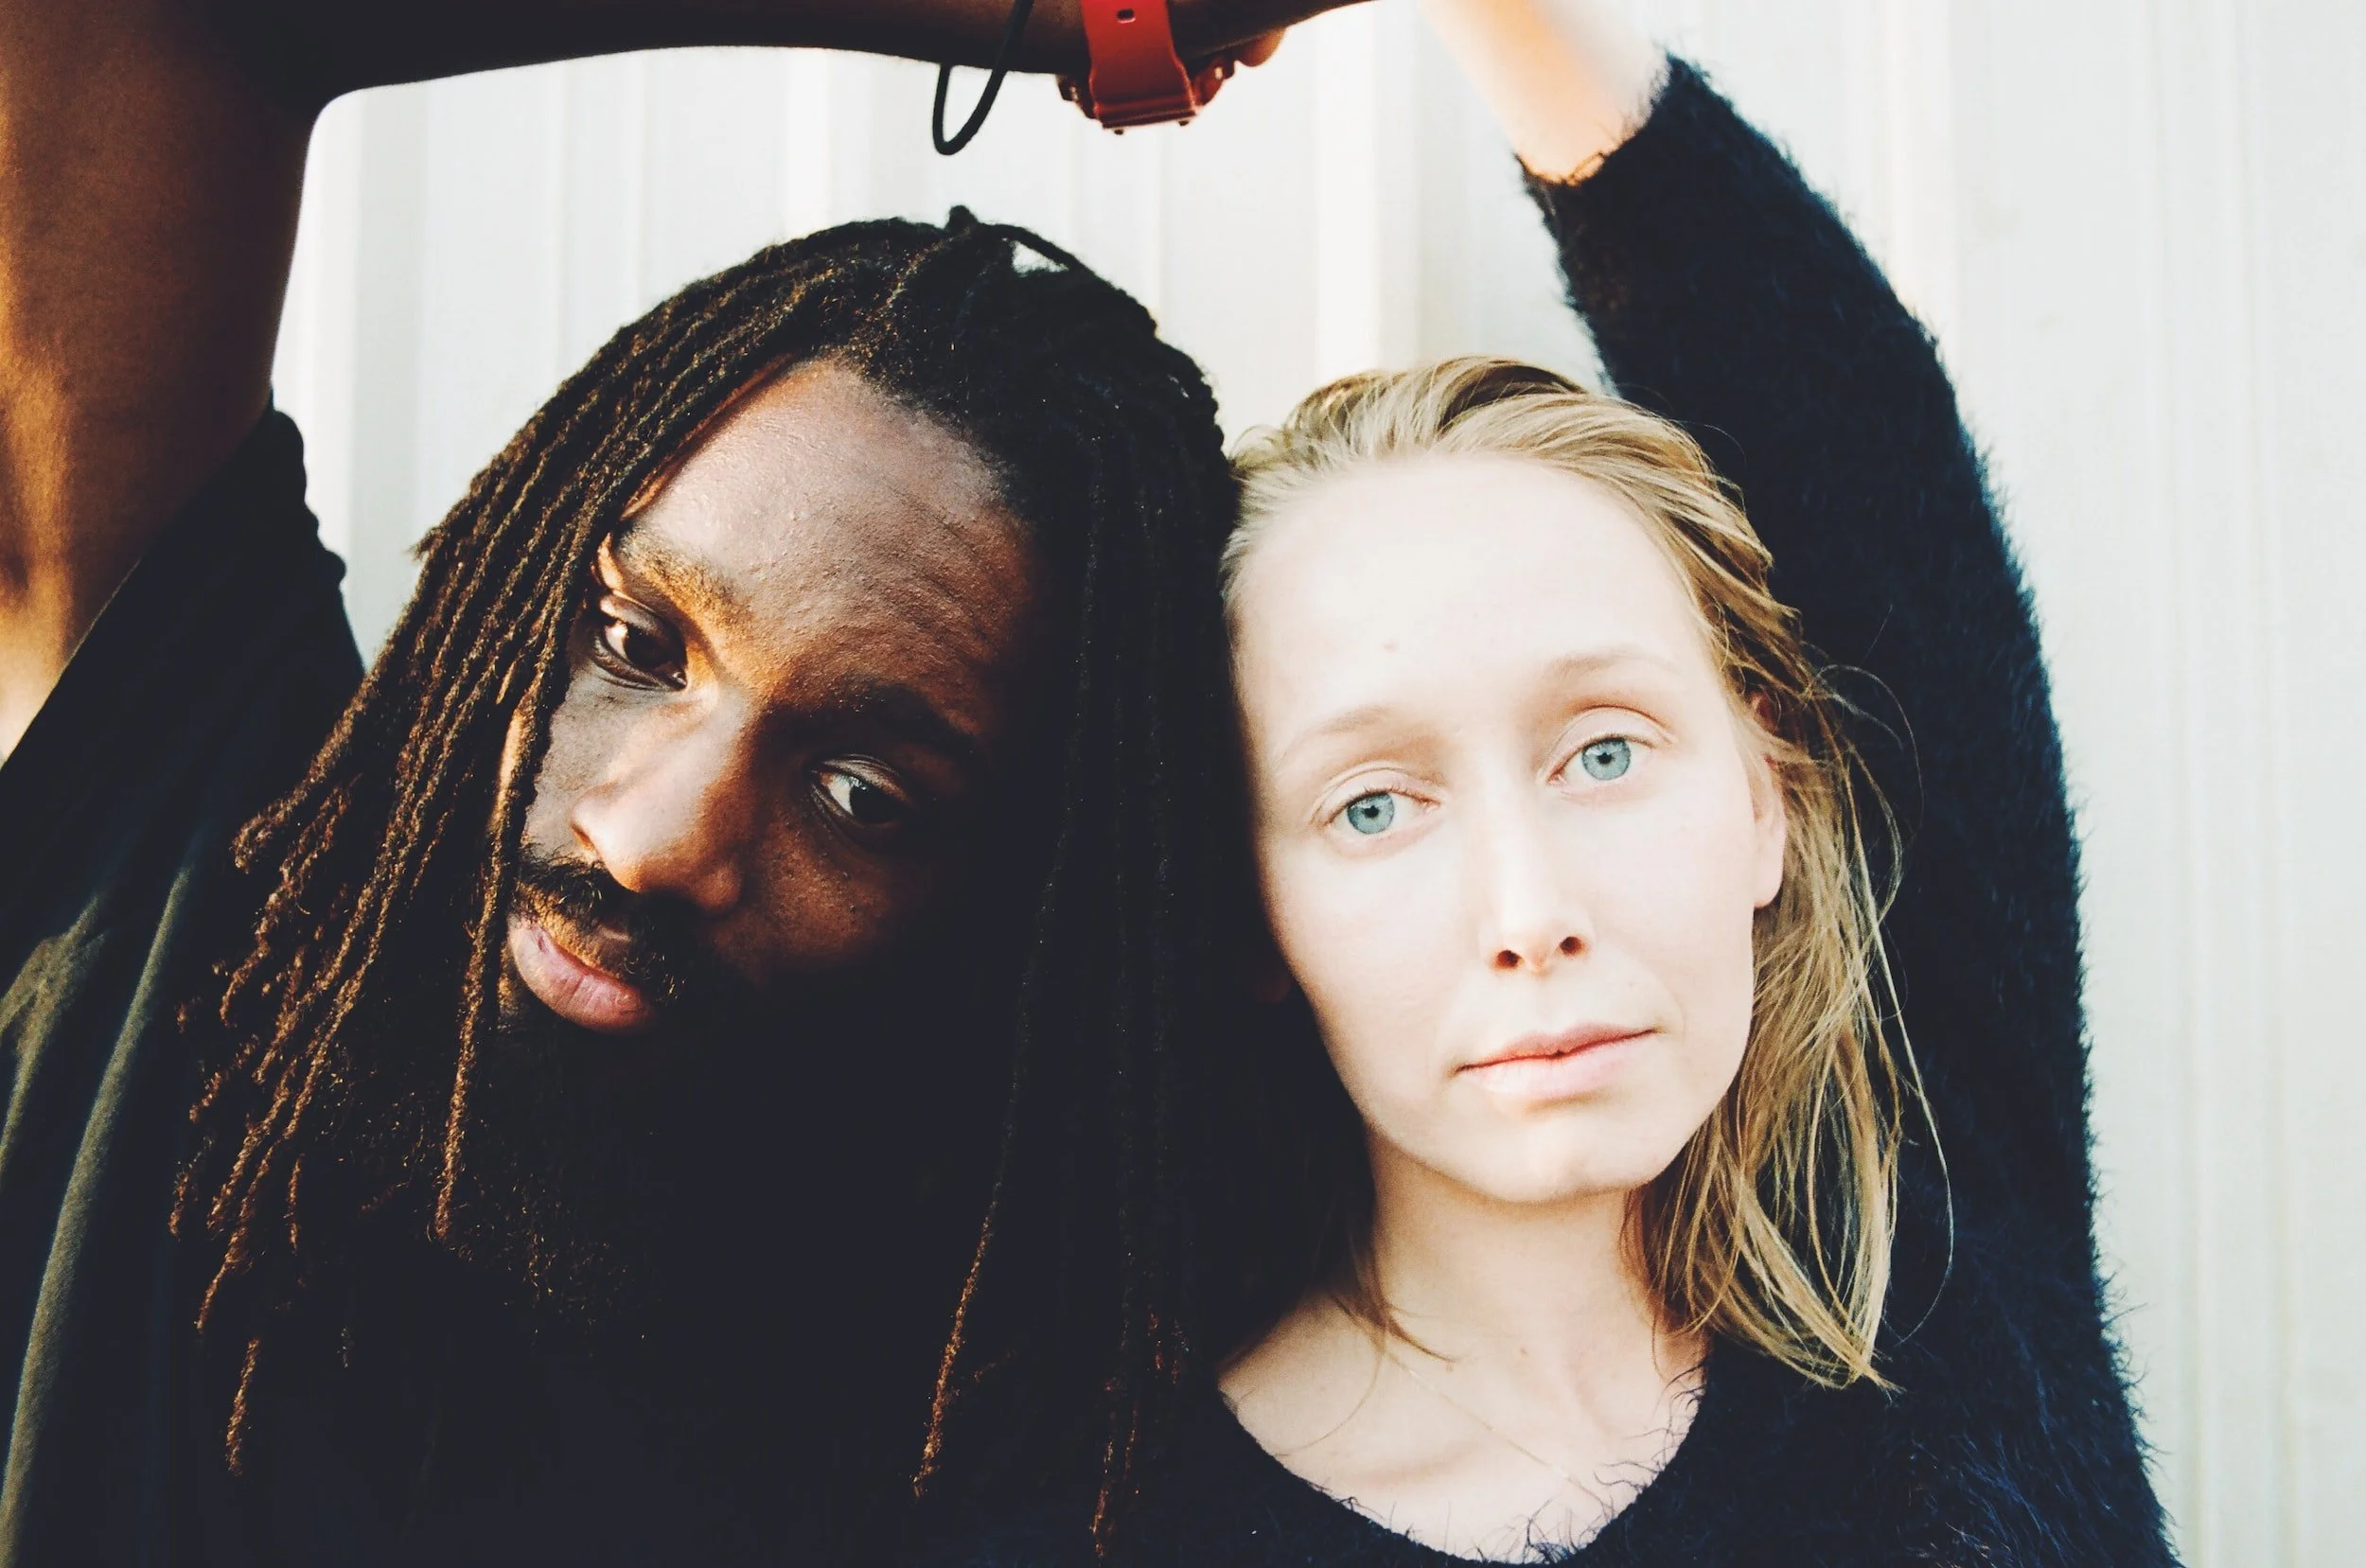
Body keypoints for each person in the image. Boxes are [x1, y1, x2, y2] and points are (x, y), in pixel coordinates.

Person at [0, 2, 1351, 1563]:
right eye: (634, 642)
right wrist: (1098, 18)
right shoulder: (193, 843)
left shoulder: (973, 1454)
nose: (652, 837)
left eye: (863, 794)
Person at [928, 0, 2177, 1562]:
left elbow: (1852, 436)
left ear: (1768, 797)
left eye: (1601, 750)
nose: (1530, 914)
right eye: (1372, 805)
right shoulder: (1092, 1526)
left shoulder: (1946, 1254)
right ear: (1250, 913)